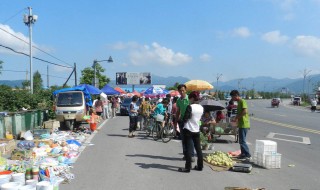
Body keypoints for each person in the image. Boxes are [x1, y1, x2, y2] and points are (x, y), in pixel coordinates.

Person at [178, 91, 204, 173]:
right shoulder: (201, 107)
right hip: (196, 130)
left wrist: (182, 123)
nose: (189, 100)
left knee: (189, 149)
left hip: (188, 129)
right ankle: (200, 166)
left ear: (192, 98)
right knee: (198, 149)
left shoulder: (190, 107)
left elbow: (185, 118)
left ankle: (187, 167)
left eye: (189, 98)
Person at [230, 90, 251, 161]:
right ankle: (243, 154)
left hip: (244, 124)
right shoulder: (239, 102)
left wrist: (236, 117)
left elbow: (245, 111)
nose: (232, 98)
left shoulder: (242, 101)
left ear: (236, 95)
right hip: (241, 124)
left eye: (232, 97)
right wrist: (236, 118)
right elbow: (239, 113)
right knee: (241, 140)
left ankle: (247, 155)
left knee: (242, 141)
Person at [176, 84, 195, 161]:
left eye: (183, 90)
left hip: (190, 121)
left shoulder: (189, 99)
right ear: (178, 91)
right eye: (180, 90)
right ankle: (186, 154)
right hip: (182, 121)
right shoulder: (178, 100)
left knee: (190, 139)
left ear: (185, 90)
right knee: (183, 139)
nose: (182, 92)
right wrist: (176, 121)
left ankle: (192, 155)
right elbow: (178, 111)